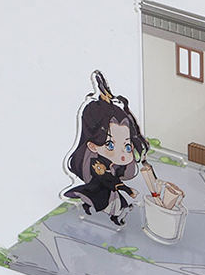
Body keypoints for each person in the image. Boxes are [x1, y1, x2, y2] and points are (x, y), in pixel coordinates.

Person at [63, 70, 149, 226]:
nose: (122, 153)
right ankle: (102, 212)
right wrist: (127, 189)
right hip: (100, 189)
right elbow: (109, 180)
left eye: (127, 146)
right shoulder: (97, 165)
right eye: (110, 145)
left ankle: (107, 212)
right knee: (111, 204)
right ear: (92, 145)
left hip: (109, 190)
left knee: (116, 203)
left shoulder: (113, 164)